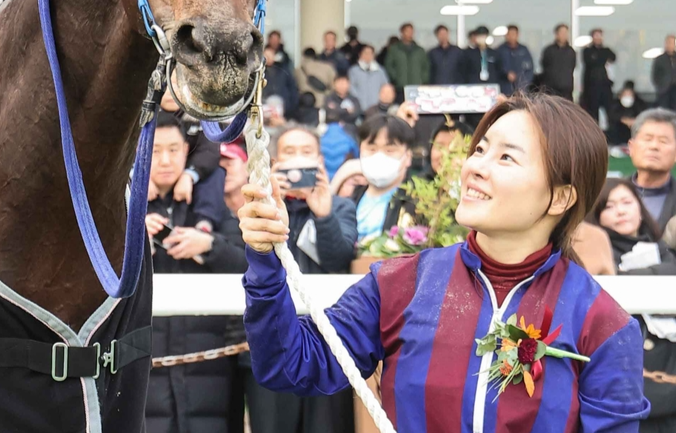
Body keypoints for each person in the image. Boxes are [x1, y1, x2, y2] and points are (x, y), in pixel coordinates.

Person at [238, 93, 649, 431]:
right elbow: (290, 364)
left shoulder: (604, 325)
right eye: (481, 149)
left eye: (506, 158)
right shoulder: (400, 283)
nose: (474, 167)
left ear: (560, 197)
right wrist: (264, 257)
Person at [244, 123, 358, 433]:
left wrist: (324, 214)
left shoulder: (341, 207)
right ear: (275, 163)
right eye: (289, 153)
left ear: (321, 161)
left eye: (307, 153)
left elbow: (339, 259)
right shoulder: (259, 210)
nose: (298, 161)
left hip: (326, 343)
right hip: (276, 341)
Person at [143, 113, 246, 433]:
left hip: (210, 361)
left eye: (174, 149)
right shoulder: (124, 213)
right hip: (148, 362)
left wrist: (208, 245)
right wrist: (132, 242)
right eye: (155, 150)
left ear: (187, 152)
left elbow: (250, 265)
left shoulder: (211, 208)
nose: (164, 160)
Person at [588, 179, 676, 432]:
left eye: (627, 202)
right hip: (633, 390)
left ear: (640, 208)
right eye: (610, 206)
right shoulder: (597, 257)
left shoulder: (665, 251)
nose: (621, 210)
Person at [330, 115, 418, 243]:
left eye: (389, 150)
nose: (379, 156)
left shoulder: (417, 203)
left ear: (408, 156)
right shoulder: (350, 199)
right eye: (372, 149)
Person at [159, 94, 228, 228]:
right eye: (165, 84)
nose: (169, 91)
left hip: (193, 172)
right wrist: (138, 176)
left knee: (216, 173)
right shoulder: (145, 113)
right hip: (151, 175)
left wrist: (189, 175)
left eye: (177, 83)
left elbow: (210, 151)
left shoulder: (201, 114)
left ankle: (204, 222)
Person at [629, 108, 676, 231]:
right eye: (647, 139)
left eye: (663, 141)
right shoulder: (609, 195)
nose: (654, 146)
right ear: (631, 147)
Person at [385, 23, 429, 101]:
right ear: (402, 33)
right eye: (407, 31)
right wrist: (396, 78)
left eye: (412, 31)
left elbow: (425, 67)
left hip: (416, 88)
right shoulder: (394, 49)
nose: (410, 34)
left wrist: (423, 80)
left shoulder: (419, 50)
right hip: (400, 88)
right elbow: (389, 65)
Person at [581, 28, 616, 123]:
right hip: (592, 86)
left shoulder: (606, 50)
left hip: (605, 85)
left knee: (609, 111)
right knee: (593, 113)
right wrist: (602, 58)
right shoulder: (587, 51)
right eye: (596, 36)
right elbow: (591, 62)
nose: (598, 38)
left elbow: (613, 57)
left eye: (600, 36)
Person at [538, 24, 576, 100]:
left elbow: (573, 66)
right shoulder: (549, 50)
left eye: (566, 33)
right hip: (551, 89)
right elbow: (544, 65)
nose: (564, 35)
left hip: (566, 89)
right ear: (556, 34)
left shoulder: (571, 51)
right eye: (562, 32)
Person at [348, 45, 389, 113]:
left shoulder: (380, 71)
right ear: (360, 55)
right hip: (359, 108)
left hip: (377, 107)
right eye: (365, 53)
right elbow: (351, 87)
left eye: (370, 53)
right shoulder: (354, 71)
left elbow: (385, 86)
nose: (368, 56)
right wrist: (358, 100)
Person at [495, 25, 534, 96]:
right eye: (509, 34)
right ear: (506, 35)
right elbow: (496, 68)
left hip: (521, 88)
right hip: (505, 87)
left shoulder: (524, 50)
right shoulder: (500, 50)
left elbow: (529, 68)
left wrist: (523, 82)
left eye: (514, 34)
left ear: (517, 35)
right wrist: (506, 74)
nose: (512, 37)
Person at [608, 83, 647, 147]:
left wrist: (635, 121)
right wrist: (623, 120)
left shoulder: (639, 105)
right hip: (617, 138)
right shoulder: (615, 105)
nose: (628, 97)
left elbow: (644, 115)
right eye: (625, 95)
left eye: (630, 95)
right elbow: (612, 116)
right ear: (620, 96)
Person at [263, 47, 299, 116]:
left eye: (270, 55)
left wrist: (291, 105)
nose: (268, 58)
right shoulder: (260, 72)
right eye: (266, 55)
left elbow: (292, 87)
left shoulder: (283, 69)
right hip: (265, 106)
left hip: (284, 106)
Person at [652, 35, 676, 110]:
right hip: (664, 90)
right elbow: (655, 75)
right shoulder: (660, 59)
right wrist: (660, 86)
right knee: (664, 111)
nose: (670, 44)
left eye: (672, 43)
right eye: (668, 42)